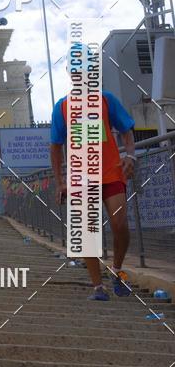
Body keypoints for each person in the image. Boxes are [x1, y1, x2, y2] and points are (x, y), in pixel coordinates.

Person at [50, 82, 136, 301]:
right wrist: (60, 182)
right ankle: (98, 287)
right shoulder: (62, 107)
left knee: (120, 224)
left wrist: (130, 155)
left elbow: (127, 129)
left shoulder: (106, 99)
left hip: (111, 173)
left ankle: (116, 271)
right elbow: (55, 147)